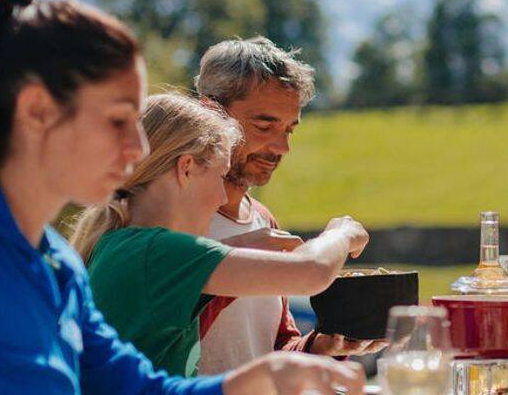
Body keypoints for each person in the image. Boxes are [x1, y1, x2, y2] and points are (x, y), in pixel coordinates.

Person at [0, 0, 364, 395]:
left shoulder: (55, 265)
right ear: (37, 111)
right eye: (120, 119)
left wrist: (272, 372)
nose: (138, 147)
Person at [69, 92, 370, 378]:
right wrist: (341, 233)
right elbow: (311, 272)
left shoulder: (129, 246)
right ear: (185, 168)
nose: (219, 197)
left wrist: (244, 244)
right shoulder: (158, 251)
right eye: (219, 176)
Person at [192, 37, 376, 373]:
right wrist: (339, 236)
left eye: (289, 130)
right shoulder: (169, 222)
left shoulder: (263, 220)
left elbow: (276, 349)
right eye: (264, 125)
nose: (282, 147)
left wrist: (322, 346)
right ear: (210, 111)